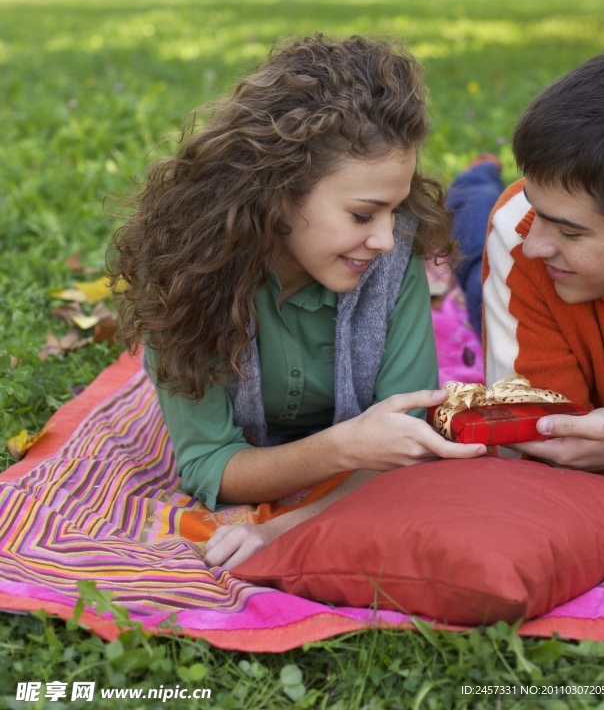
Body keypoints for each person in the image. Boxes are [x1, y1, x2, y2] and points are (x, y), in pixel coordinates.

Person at [109, 34, 486, 569]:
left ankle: (481, 179)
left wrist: (284, 529)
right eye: (363, 214)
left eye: (394, 210)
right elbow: (211, 467)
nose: (384, 239)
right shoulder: (184, 274)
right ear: (279, 194)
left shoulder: (394, 253)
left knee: (480, 226)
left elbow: (405, 444)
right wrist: (346, 447)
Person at [483, 48, 604, 497]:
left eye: (570, 233)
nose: (532, 246)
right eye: (539, 212)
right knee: (474, 208)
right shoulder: (518, 231)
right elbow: (538, 452)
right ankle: (479, 182)